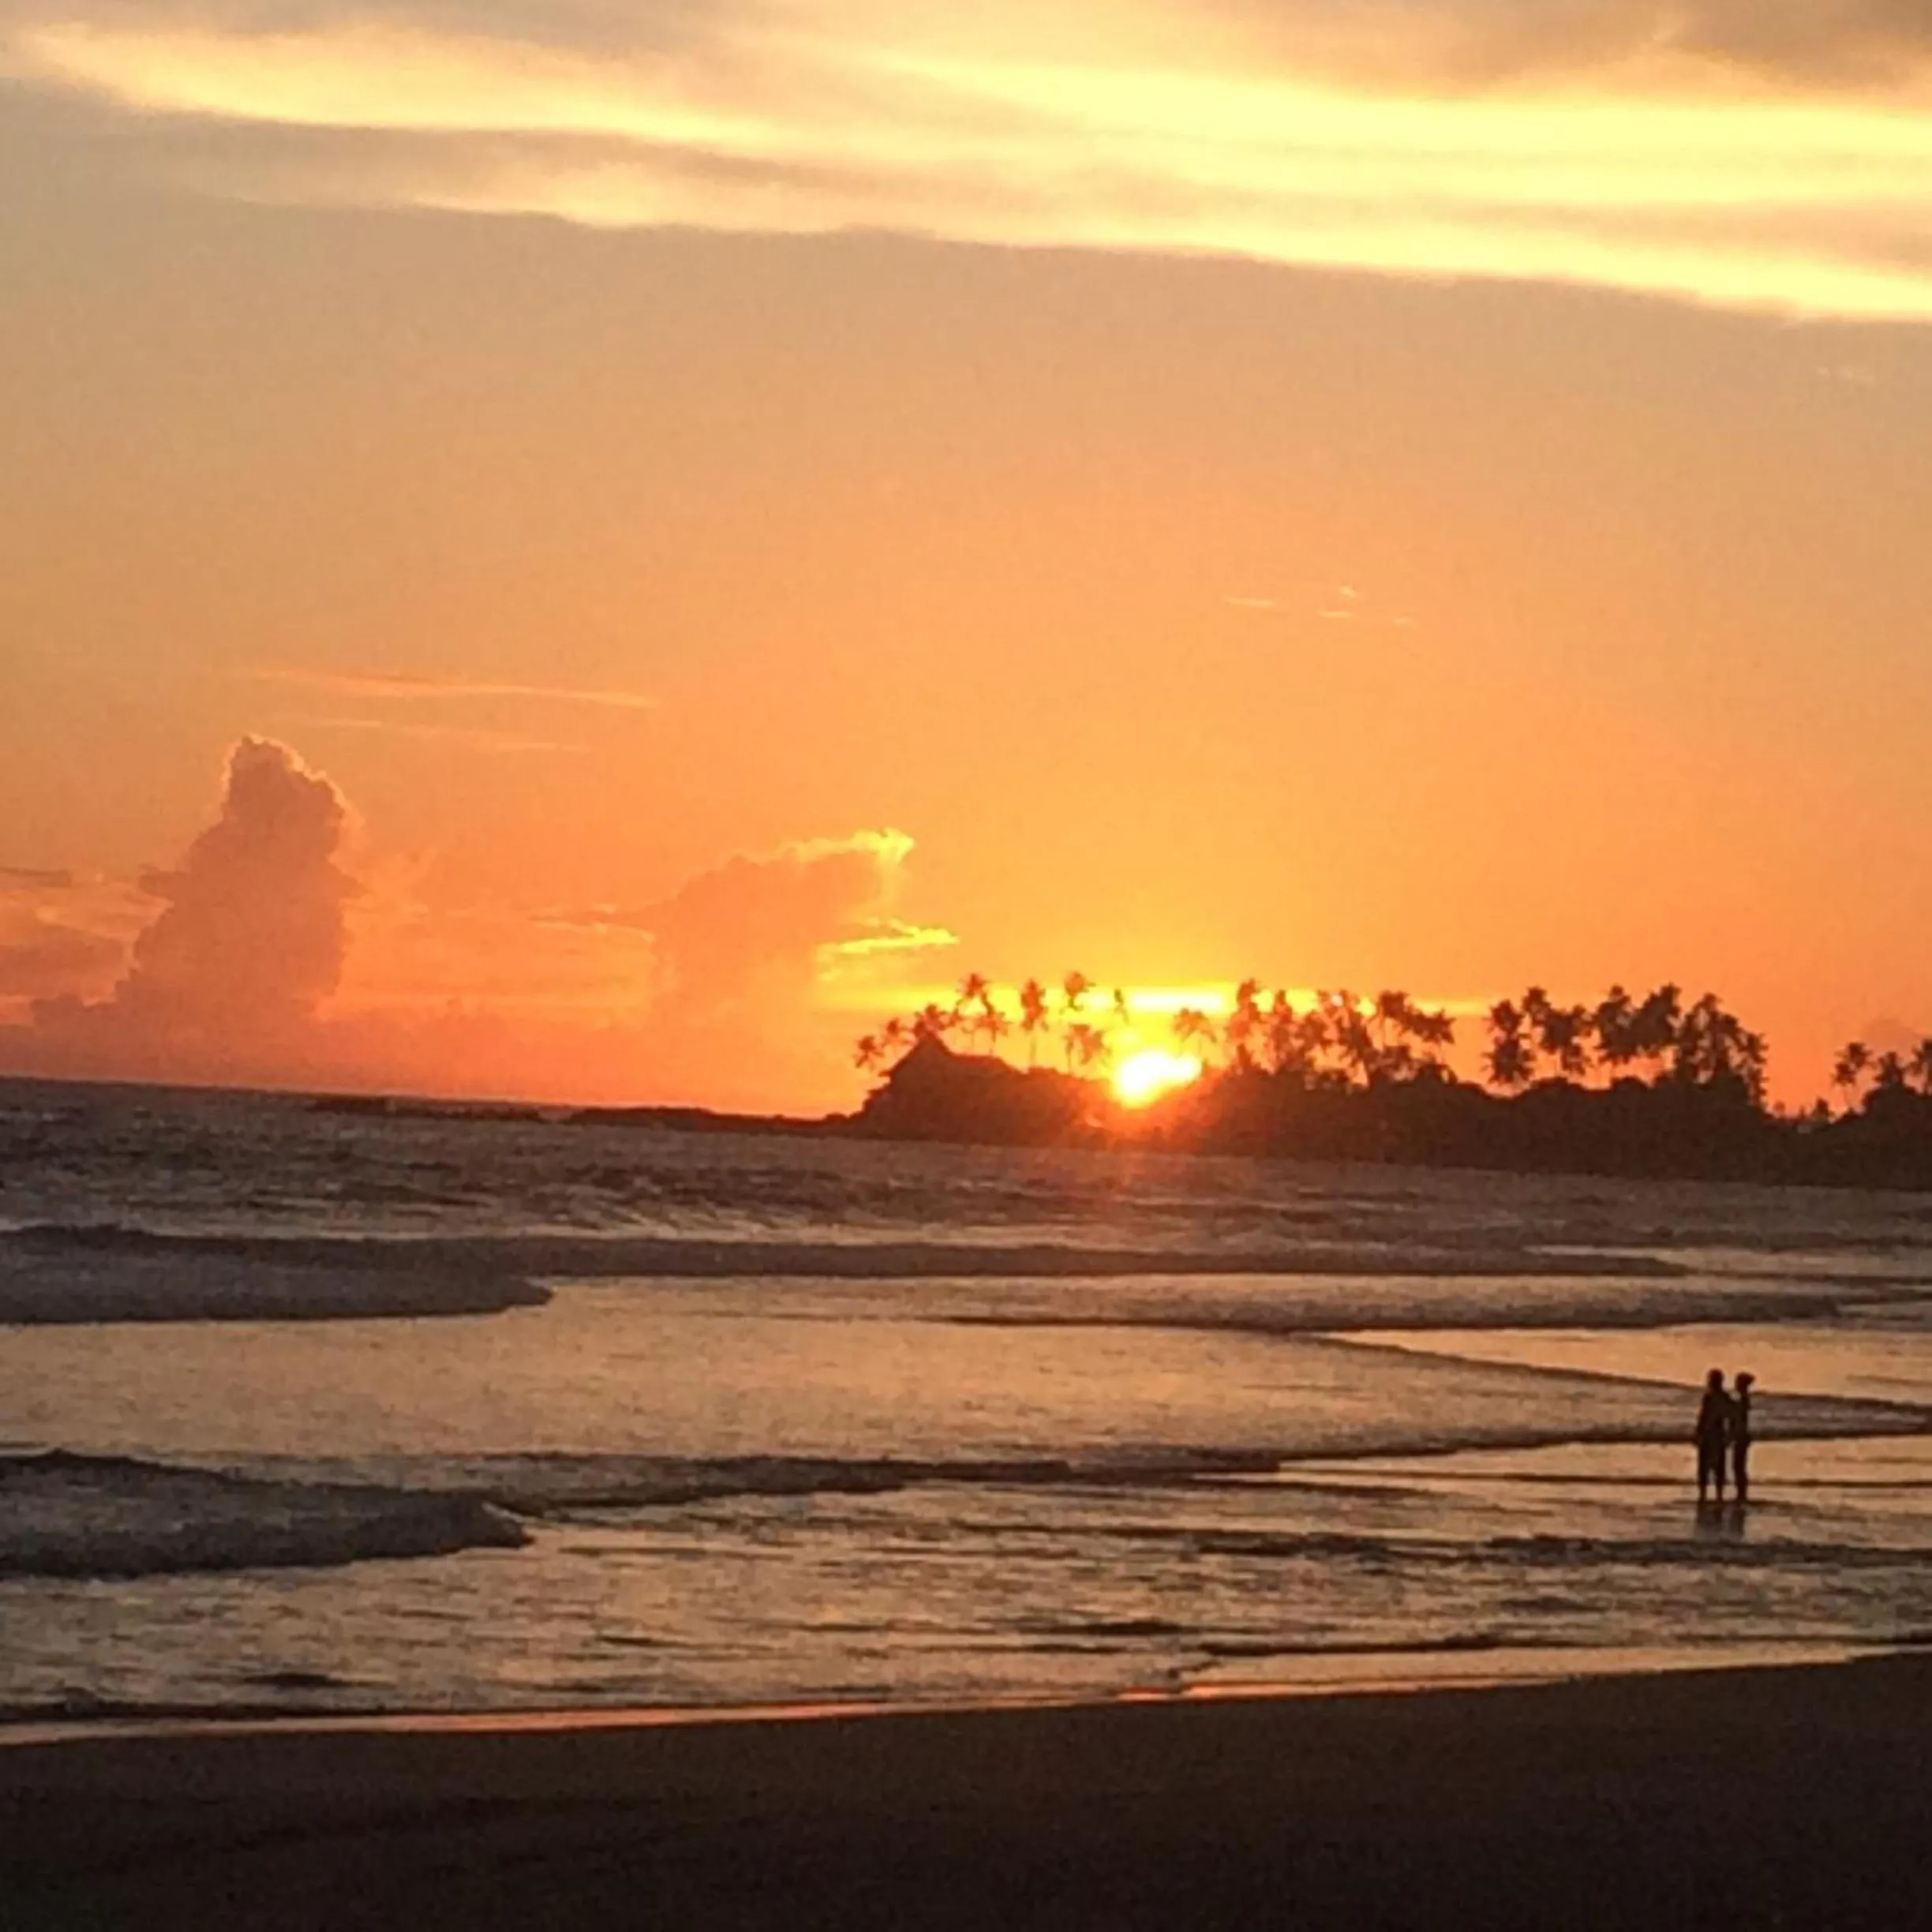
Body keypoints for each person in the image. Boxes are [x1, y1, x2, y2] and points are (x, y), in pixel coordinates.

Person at [1693, 1368, 1732, 1503]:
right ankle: (1716, 1495)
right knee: (1715, 1467)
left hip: (1711, 1434)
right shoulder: (1722, 1397)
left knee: (1708, 1467)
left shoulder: (1710, 1397)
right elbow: (1729, 1417)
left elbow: (1703, 1417)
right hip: (1716, 1434)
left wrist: (1698, 1433)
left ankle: (1706, 1494)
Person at [1731, 1372, 1755, 1503]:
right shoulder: (1743, 1398)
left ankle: (1741, 1493)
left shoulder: (1742, 1399)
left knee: (1738, 1466)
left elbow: (1739, 1419)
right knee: (1739, 1466)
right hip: (1742, 1435)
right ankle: (1741, 1493)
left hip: (1741, 1436)